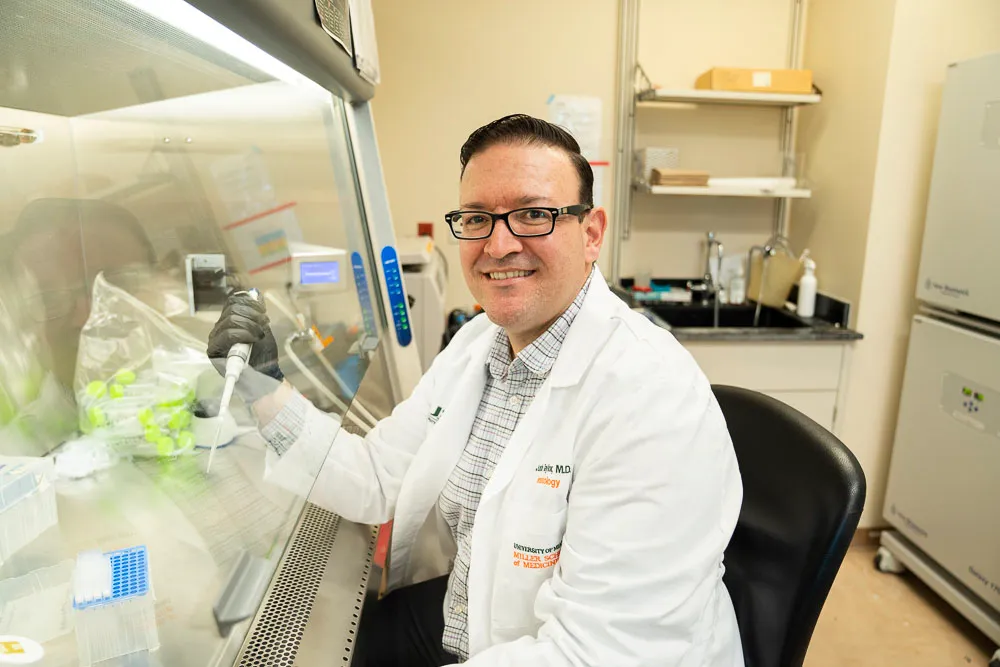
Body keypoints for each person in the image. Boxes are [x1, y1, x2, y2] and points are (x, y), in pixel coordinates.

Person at [207, 114, 744, 666]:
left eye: (533, 214)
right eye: (477, 218)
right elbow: (377, 475)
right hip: (470, 628)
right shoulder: (479, 343)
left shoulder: (651, 397)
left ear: (590, 234)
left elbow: (594, 653)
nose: (498, 244)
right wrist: (264, 386)